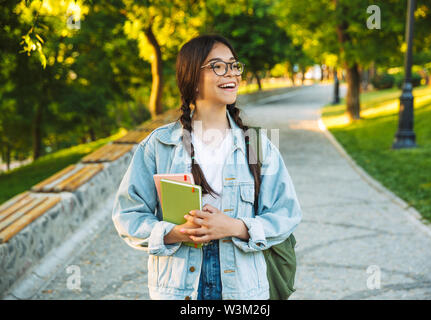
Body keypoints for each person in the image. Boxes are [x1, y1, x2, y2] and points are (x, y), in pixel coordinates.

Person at [112, 34, 302, 300]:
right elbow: (127, 214)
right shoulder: (159, 145)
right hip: (179, 287)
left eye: (234, 65)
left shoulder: (257, 144)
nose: (231, 73)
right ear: (192, 79)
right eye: (217, 66)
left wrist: (235, 227)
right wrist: (175, 233)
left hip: (242, 288)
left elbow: (286, 212)